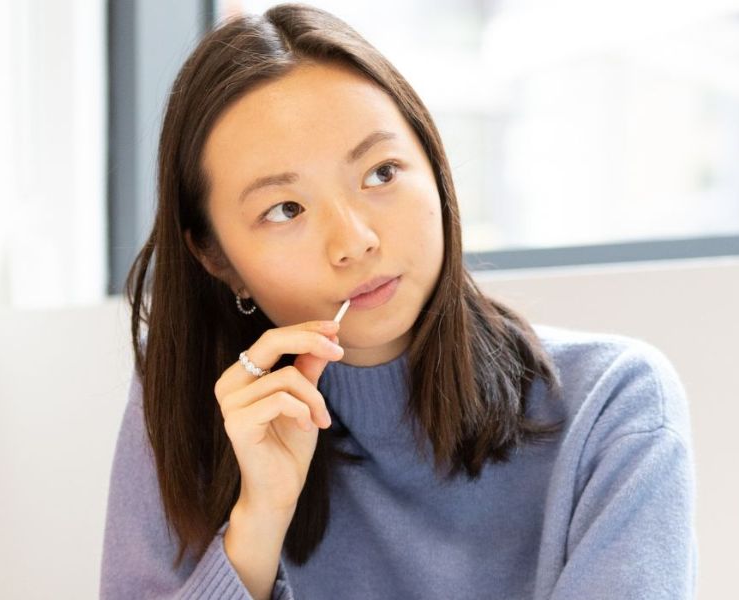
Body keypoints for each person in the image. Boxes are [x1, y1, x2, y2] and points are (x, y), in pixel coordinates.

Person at [100, 4, 697, 599]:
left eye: (382, 173)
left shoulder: (610, 405)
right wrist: (257, 525)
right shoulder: (187, 400)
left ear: (434, 169)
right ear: (218, 259)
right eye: (286, 209)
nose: (354, 241)